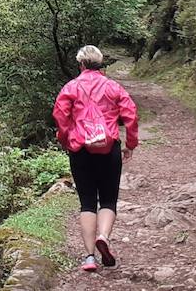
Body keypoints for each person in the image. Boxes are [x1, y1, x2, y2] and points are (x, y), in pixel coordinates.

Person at [52, 45, 139, 272]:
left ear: (81, 64)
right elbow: (130, 114)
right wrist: (130, 144)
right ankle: (104, 236)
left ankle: (90, 257)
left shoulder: (71, 87)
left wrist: (66, 141)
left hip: (80, 150)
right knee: (108, 200)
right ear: (101, 64)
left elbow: (60, 117)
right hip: (109, 148)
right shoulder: (113, 86)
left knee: (87, 202)